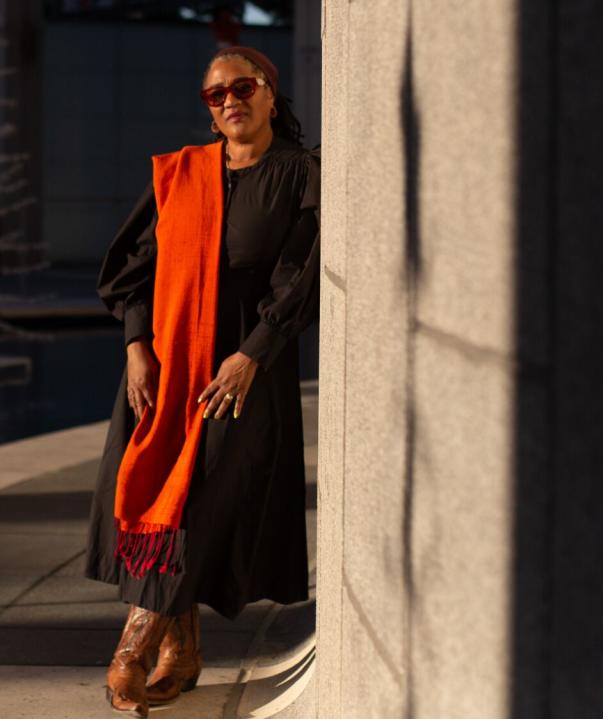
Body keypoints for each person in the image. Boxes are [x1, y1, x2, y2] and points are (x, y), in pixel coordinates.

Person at [83, 45, 320, 718]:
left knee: (195, 508)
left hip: (241, 372)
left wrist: (254, 352)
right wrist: (136, 346)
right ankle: (181, 652)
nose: (229, 101)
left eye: (242, 87)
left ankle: (129, 653)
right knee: (166, 501)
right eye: (214, 95)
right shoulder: (182, 173)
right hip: (164, 370)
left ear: (271, 93)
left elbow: (298, 280)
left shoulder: (299, 175)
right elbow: (137, 272)